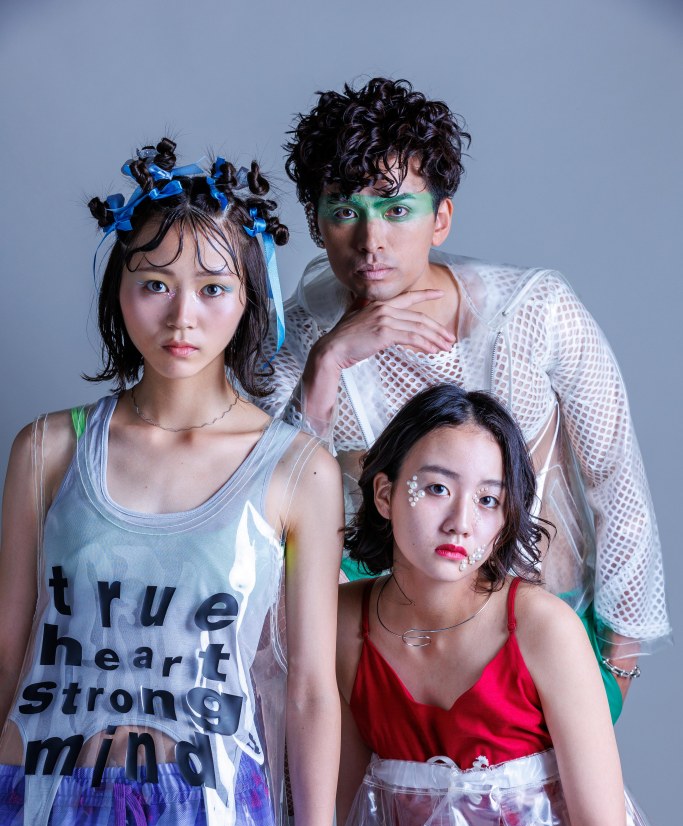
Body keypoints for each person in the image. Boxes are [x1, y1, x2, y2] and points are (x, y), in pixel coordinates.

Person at [0, 138, 343, 826]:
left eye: (213, 288)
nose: (182, 315)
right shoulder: (47, 449)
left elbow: (310, 692)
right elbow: (6, 649)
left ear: (250, 297)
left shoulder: (297, 469)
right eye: (154, 283)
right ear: (118, 291)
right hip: (37, 816)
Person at [258, 77, 671, 721]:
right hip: (385, 652)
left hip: (541, 637)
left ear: (441, 218)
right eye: (345, 211)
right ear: (317, 223)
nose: (371, 240)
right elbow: (262, 505)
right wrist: (329, 362)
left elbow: (617, 482)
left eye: (397, 210)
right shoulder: (306, 335)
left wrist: (618, 664)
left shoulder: (536, 311)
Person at [330, 383, 682, 826]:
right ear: (384, 493)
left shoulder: (541, 627)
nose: (461, 521)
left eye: (489, 500)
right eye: (436, 488)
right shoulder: (345, 625)